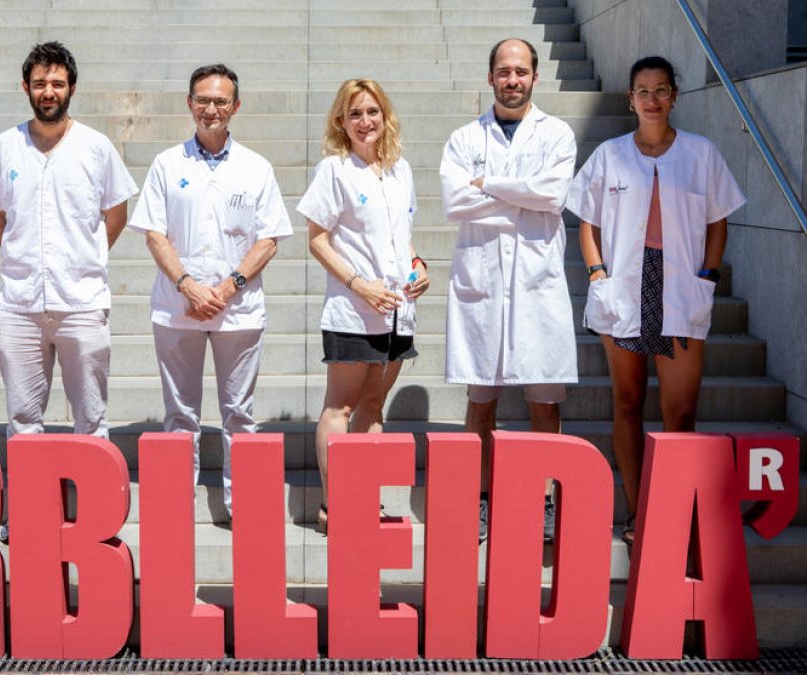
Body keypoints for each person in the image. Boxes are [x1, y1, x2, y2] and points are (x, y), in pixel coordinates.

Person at [567, 56, 744, 545]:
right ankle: (638, 511)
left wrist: (708, 273)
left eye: (661, 89)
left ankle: (673, 510)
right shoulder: (609, 154)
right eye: (642, 91)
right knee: (627, 402)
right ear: (630, 98)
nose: (651, 99)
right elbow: (588, 219)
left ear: (674, 96)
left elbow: (718, 220)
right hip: (624, 284)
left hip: (681, 286)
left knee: (680, 410)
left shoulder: (700, 153)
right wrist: (598, 273)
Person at [0, 42, 138, 539]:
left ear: (71, 88)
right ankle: (30, 513)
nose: (50, 92)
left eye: (58, 83)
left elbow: (116, 212)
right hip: (21, 305)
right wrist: (25, 256)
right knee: (24, 418)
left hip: (81, 304)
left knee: (90, 417)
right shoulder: (6, 146)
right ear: (26, 87)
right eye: (40, 83)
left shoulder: (95, 147)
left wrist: (84, 258)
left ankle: (92, 515)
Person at [129, 64, 293, 518]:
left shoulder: (256, 167)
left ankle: (242, 505)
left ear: (235, 107)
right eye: (203, 99)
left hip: (238, 311)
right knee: (180, 415)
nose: (211, 109)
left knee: (238, 414)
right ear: (189, 104)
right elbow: (154, 234)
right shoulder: (167, 164)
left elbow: (269, 238)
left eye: (221, 101)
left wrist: (227, 286)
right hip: (177, 307)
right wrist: (187, 285)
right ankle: (177, 503)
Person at [439, 38, 578, 543]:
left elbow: (554, 195)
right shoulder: (463, 138)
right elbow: (454, 203)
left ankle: (544, 501)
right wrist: (520, 196)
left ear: (535, 77)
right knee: (481, 401)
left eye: (521, 71)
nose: (512, 79)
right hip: (483, 283)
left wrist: (487, 185)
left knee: (544, 400)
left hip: (536, 285)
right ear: (491, 77)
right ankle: (480, 499)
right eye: (504, 71)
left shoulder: (557, 134)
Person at [297, 79, 430, 535]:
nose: (365, 121)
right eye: (355, 114)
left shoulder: (400, 171)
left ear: (384, 116)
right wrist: (359, 285)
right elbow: (316, 239)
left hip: (397, 310)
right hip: (354, 310)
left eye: (372, 111)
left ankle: (365, 499)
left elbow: (402, 237)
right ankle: (335, 506)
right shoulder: (335, 171)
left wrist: (418, 265)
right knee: (342, 407)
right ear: (342, 121)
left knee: (374, 404)